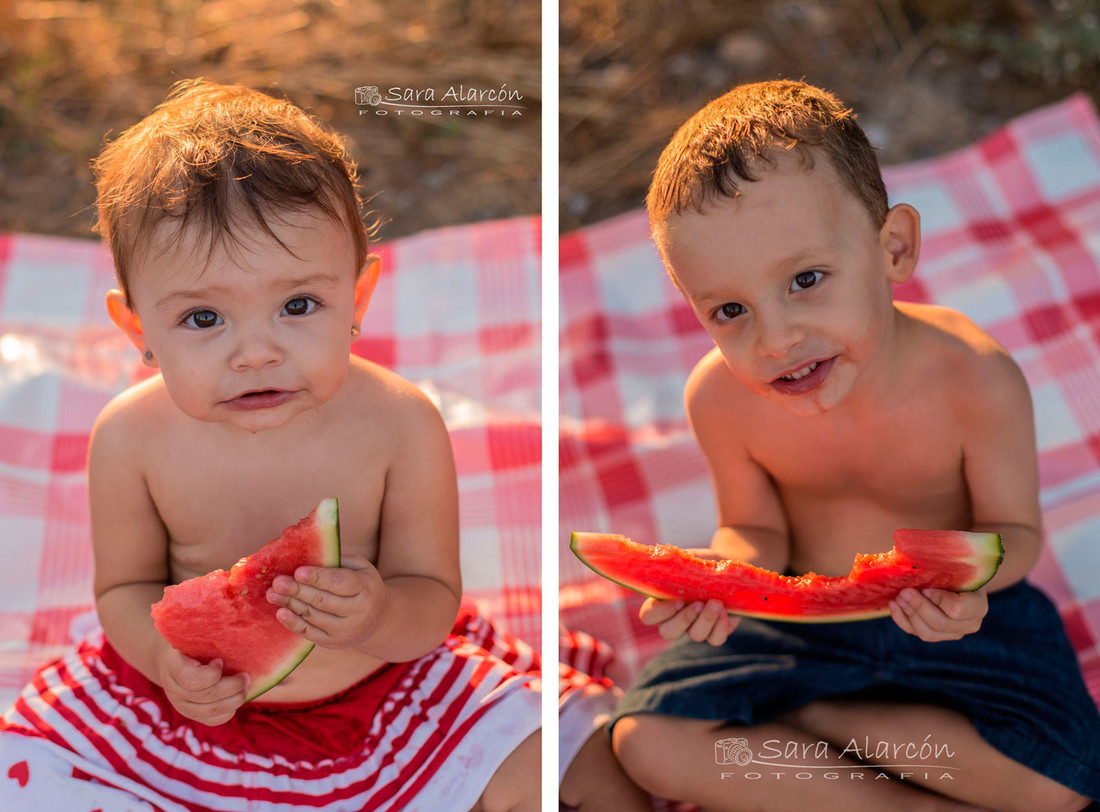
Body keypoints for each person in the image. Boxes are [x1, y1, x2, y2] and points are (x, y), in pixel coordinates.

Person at [0, 78, 540, 812]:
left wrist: (380, 615)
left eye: (297, 305)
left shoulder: (402, 423)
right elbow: (123, 591)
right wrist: (164, 660)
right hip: (183, 716)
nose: (256, 353)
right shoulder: (129, 439)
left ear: (358, 299)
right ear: (138, 333)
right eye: (202, 319)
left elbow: (434, 596)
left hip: (389, 697)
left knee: (552, 762)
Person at [607, 80, 1100, 811]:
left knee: (1060, 787)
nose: (776, 340)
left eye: (806, 279)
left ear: (894, 248)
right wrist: (725, 577)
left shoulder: (977, 379)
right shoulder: (719, 397)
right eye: (730, 310)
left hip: (959, 620)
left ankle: (822, 725)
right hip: (793, 626)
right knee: (645, 742)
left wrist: (965, 587)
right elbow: (754, 530)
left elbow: (1014, 534)